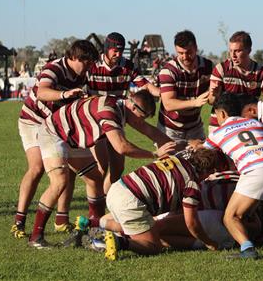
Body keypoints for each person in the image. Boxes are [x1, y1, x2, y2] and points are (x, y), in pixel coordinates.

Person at [27, 90, 175, 249]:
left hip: (71, 136)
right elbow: (121, 147)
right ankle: (36, 236)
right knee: (60, 181)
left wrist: (181, 149)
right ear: (133, 107)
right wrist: (154, 154)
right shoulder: (109, 112)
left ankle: (93, 229)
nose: (141, 121)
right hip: (53, 132)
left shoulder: (122, 107)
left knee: (94, 179)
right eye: (142, 116)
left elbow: (149, 130)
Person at [11, 40, 99, 239]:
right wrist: (65, 94)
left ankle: (61, 220)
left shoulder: (84, 73)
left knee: (68, 171)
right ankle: (19, 221)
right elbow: (42, 92)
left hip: (59, 125)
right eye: (85, 63)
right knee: (36, 168)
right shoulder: (54, 68)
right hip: (34, 121)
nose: (88, 67)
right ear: (74, 57)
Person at [197, 93, 263, 259]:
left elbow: (203, 153)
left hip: (256, 169)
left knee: (231, 216)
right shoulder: (256, 122)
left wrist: (194, 145)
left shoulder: (217, 133)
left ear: (222, 114)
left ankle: (248, 249)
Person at [87, 148, 219, 259]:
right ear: (209, 171)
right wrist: (209, 243)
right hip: (131, 200)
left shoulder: (177, 158)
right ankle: (119, 242)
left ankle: (89, 224)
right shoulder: (192, 183)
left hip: (118, 188)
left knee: (140, 225)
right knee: (154, 246)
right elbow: (191, 223)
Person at [86, 32, 161, 200]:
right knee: (101, 166)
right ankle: (96, 204)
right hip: (95, 120)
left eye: (121, 51)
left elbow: (145, 84)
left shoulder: (126, 65)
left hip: (116, 118)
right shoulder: (92, 65)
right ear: (106, 49)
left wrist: (163, 94)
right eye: (114, 51)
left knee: (118, 167)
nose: (118, 54)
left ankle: (106, 199)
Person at [207, 31, 263, 134]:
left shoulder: (261, 73)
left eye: (238, 51)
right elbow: (211, 101)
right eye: (231, 51)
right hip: (220, 125)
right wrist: (214, 95)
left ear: (249, 50)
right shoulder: (221, 69)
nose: (233, 55)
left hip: (246, 126)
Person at [157, 30, 213, 149]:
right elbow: (168, 104)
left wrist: (213, 94)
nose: (184, 57)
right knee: (170, 165)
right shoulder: (168, 71)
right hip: (170, 129)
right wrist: (195, 102)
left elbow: (213, 95)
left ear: (196, 48)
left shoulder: (208, 66)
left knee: (204, 162)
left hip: (195, 127)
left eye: (189, 52)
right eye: (180, 53)